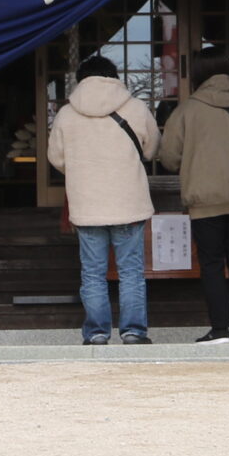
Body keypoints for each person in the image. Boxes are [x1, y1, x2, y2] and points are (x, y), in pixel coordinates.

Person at [46, 54, 160, 345]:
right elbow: (150, 150)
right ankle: (134, 332)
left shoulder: (66, 114)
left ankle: (97, 333)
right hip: (128, 201)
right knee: (131, 270)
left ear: (81, 79)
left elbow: (56, 158)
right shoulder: (135, 108)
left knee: (93, 273)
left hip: (87, 202)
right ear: (113, 77)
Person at [157, 49, 229, 345]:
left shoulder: (186, 110)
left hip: (204, 199)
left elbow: (168, 157)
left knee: (212, 264)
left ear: (197, 75)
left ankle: (219, 330)